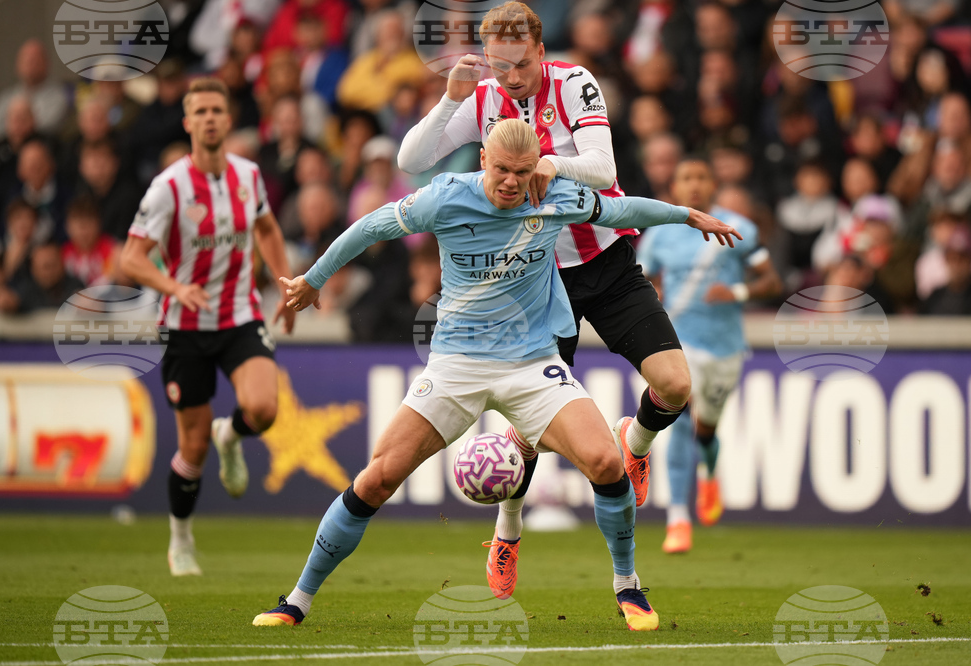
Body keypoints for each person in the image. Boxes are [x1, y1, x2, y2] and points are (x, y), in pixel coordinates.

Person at [253, 119, 739, 631]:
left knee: (603, 461)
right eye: (502, 170)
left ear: (537, 168)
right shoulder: (443, 198)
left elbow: (623, 209)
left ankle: (628, 587)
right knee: (376, 478)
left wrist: (686, 216)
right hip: (456, 366)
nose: (512, 182)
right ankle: (297, 600)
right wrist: (314, 278)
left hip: (531, 362)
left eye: (523, 172)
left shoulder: (555, 195)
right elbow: (371, 226)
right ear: (483, 158)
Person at [396, 0, 695, 600]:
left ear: (539, 46)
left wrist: (546, 163)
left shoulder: (575, 82)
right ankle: (507, 533)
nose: (510, 76)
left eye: (520, 62)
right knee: (527, 432)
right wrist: (451, 99)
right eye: (499, 65)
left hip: (606, 262)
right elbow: (410, 161)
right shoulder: (481, 101)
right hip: (536, 279)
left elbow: (604, 167)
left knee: (678, 385)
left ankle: (633, 443)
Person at [120, 77, 296, 576]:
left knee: (262, 409)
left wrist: (286, 285)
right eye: (200, 112)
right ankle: (180, 540)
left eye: (218, 109)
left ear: (228, 117)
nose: (210, 118)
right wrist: (174, 288)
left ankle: (232, 435)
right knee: (190, 447)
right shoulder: (168, 187)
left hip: (240, 315)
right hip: (185, 327)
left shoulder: (248, 175)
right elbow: (131, 259)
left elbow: (265, 227)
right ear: (188, 122)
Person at [637, 157, 782, 554]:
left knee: (706, 429)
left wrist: (736, 293)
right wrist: (653, 297)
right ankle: (678, 519)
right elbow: (640, 278)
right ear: (675, 188)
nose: (694, 185)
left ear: (714, 184)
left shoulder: (739, 228)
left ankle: (710, 472)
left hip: (725, 346)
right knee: (679, 423)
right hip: (678, 343)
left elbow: (772, 280)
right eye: (686, 178)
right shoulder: (661, 233)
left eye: (701, 177)